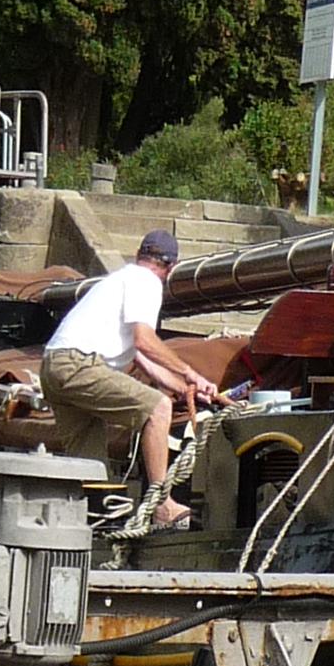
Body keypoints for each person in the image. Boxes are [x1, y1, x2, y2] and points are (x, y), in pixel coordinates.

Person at [38, 224, 223, 527]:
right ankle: (162, 505)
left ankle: (89, 524)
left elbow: (143, 359)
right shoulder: (146, 283)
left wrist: (186, 387)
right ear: (170, 267)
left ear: (139, 255)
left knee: (89, 462)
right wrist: (191, 372)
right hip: (78, 365)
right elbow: (144, 341)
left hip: (54, 367)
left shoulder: (118, 281)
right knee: (157, 408)